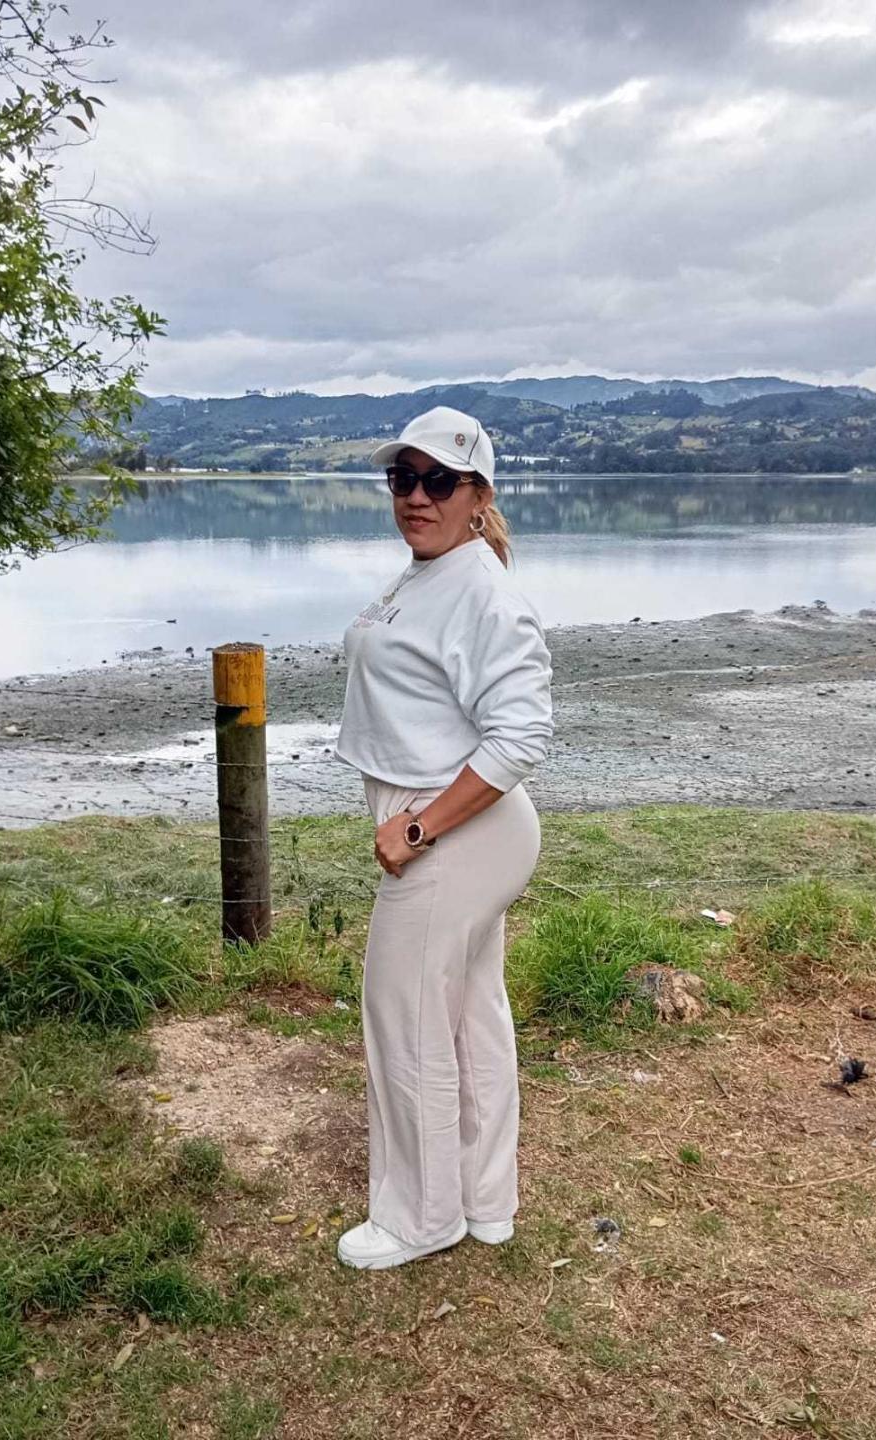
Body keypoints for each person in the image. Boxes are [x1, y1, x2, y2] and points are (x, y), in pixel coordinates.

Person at [333, 404, 554, 1270]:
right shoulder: (428, 572)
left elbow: (521, 736)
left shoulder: (484, 594)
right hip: (446, 822)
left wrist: (418, 828)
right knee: (466, 1017)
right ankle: (484, 1201)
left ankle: (421, 1219)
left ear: (478, 495)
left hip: (453, 829)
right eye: (402, 478)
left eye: (437, 481)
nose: (415, 496)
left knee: (407, 1020)